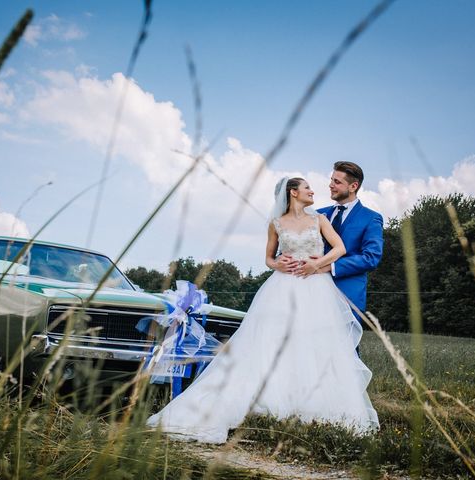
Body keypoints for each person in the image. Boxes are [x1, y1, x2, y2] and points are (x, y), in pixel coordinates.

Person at [146, 177, 379, 444]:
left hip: (315, 286)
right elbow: (268, 258)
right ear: (293, 193)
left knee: (314, 344)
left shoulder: (320, 219)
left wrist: (318, 264)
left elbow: (340, 248)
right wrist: (277, 264)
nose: (313, 191)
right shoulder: (276, 223)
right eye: (307, 188)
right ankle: (266, 399)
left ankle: (313, 404)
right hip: (282, 288)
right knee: (271, 342)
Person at [315, 161, 383, 315]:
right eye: (331, 180)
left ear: (353, 186)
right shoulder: (317, 214)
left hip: (347, 295)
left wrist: (329, 267)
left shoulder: (371, 218)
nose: (330, 185)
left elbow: (371, 258)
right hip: (312, 292)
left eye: (337, 182)